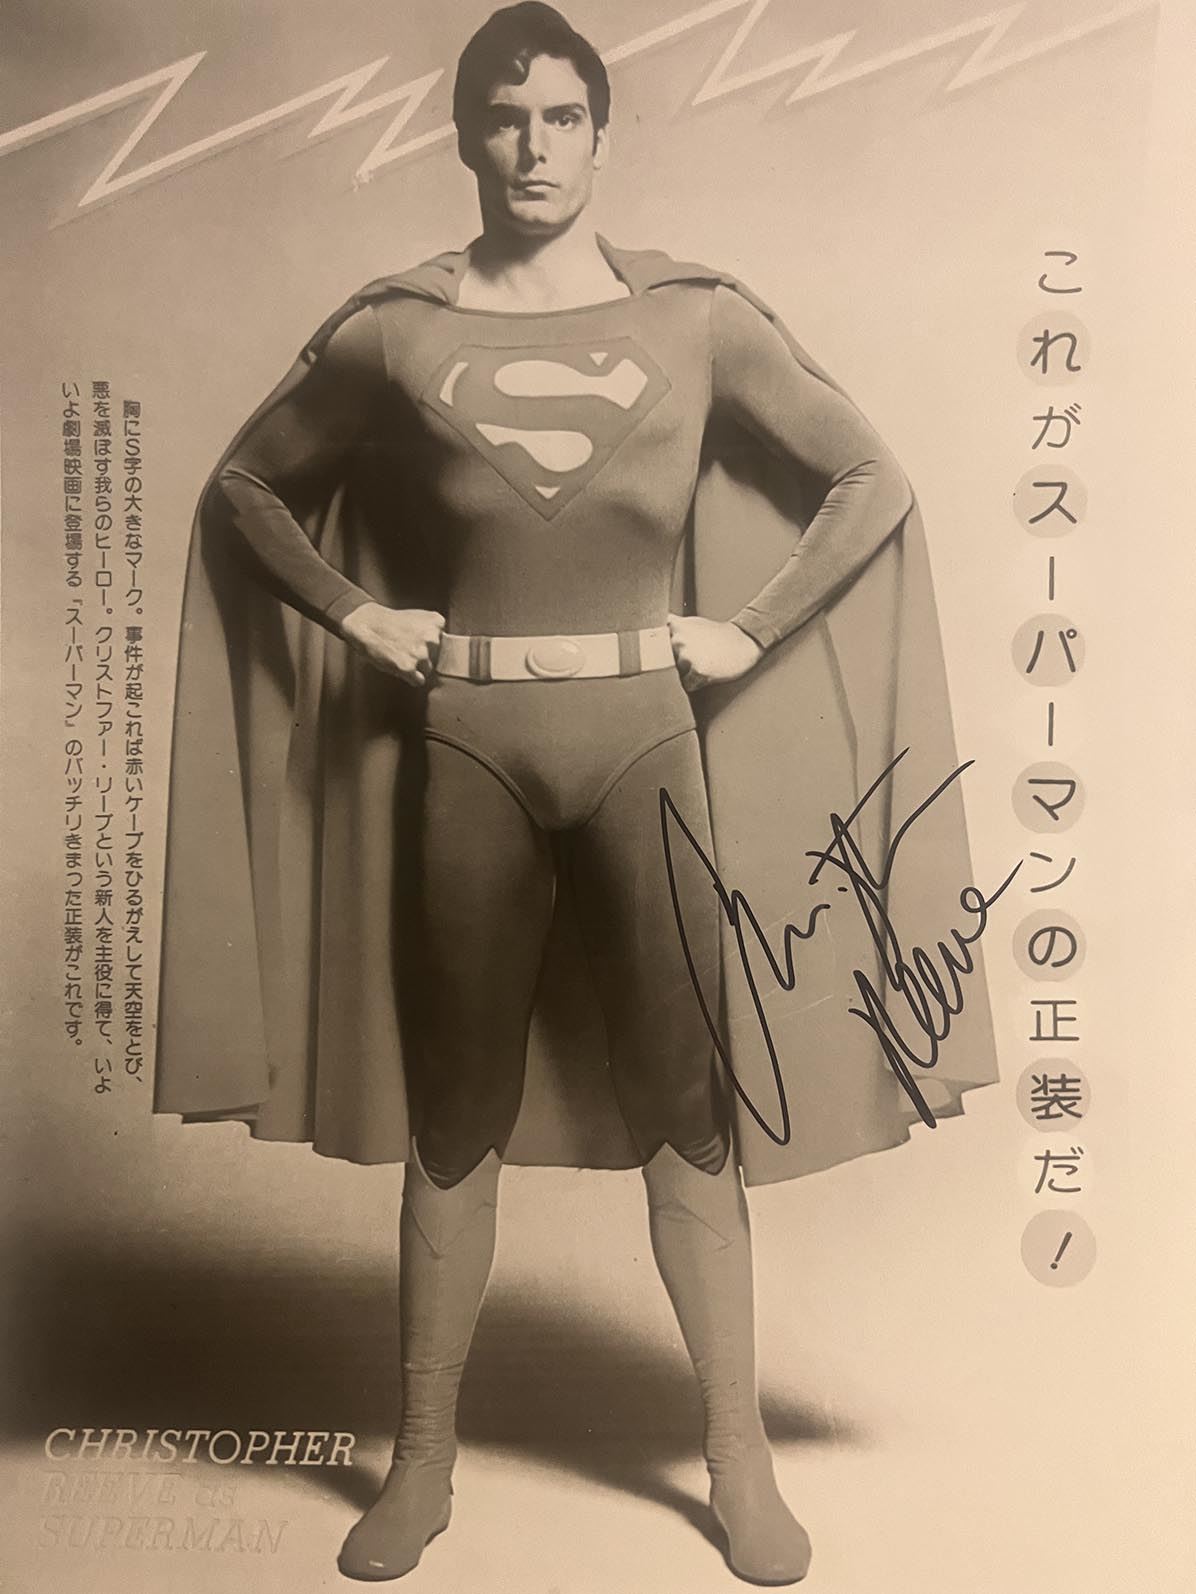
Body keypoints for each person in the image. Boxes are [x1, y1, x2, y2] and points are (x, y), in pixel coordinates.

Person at [153, 2, 999, 1584]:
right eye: (505, 116)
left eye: (561, 117)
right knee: (454, 1111)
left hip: (642, 743)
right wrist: (355, 614)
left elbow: (869, 476)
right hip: (467, 744)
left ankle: (735, 1459)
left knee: (689, 1101)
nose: (534, 146)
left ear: (603, 136)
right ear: (464, 137)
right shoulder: (396, 329)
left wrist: (748, 629)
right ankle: (421, 1461)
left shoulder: (697, 317)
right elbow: (247, 488)